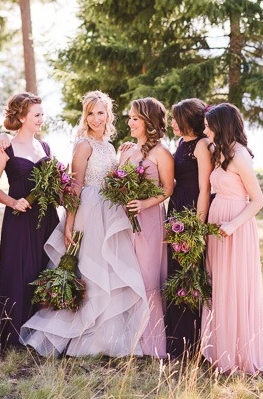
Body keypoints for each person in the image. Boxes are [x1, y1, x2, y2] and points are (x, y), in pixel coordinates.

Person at [20, 91, 150, 357]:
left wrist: (123, 160)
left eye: (100, 112)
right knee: (90, 274)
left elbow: (113, 178)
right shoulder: (83, 144)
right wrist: (69, 223)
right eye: (90, 113)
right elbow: (75, 186)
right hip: (88, 212)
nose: (95, 118)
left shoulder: (110, 146)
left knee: (108, 271)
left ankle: (101, 339)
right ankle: (76, 337)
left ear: (108, 115)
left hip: (109, 212)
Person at [201, 103, 263, 375]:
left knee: (235, 286)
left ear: (221, 126)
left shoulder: (240, 156)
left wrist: (233, 224)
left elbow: (258, 200)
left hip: (236, 226)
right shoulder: (218, 151)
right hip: (218, 222)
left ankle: (238, 355)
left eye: (208, 125)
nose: (205, 129)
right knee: (218, 285)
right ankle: (218, 350)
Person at [0, 92, 60, 350]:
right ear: (21, 117)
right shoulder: (5, 147)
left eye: (42, 114)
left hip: (46, 217)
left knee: (43, 268)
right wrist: (13, 202)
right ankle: (12, 333)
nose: (41, 119)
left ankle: (39, 333)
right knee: (18, 269)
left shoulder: (45, 148)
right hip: (19, 218)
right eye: (36, 115)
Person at [119, 97, 174, 359]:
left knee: (148, 278)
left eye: (134, 118)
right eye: (129, 118)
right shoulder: (129, 150)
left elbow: (167, 189)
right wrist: (121, 158)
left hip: (150, 221)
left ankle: (152, 343)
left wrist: (143, 203)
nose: (129, 122)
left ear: (148, 122)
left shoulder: (161, 153)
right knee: (128, 276)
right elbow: (118, 180)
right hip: (126, 222)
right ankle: (130, 340)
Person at [165, 98, 213, 359]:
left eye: (175, 118)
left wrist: (197, 226)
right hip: (176, 209)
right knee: (176, 272)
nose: (171, 123)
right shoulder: (181, 142)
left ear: (187, 119)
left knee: (190, 273)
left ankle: (191, 343)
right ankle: (176, 339)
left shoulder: (203, 145)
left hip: (193, 211)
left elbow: (205, 187)